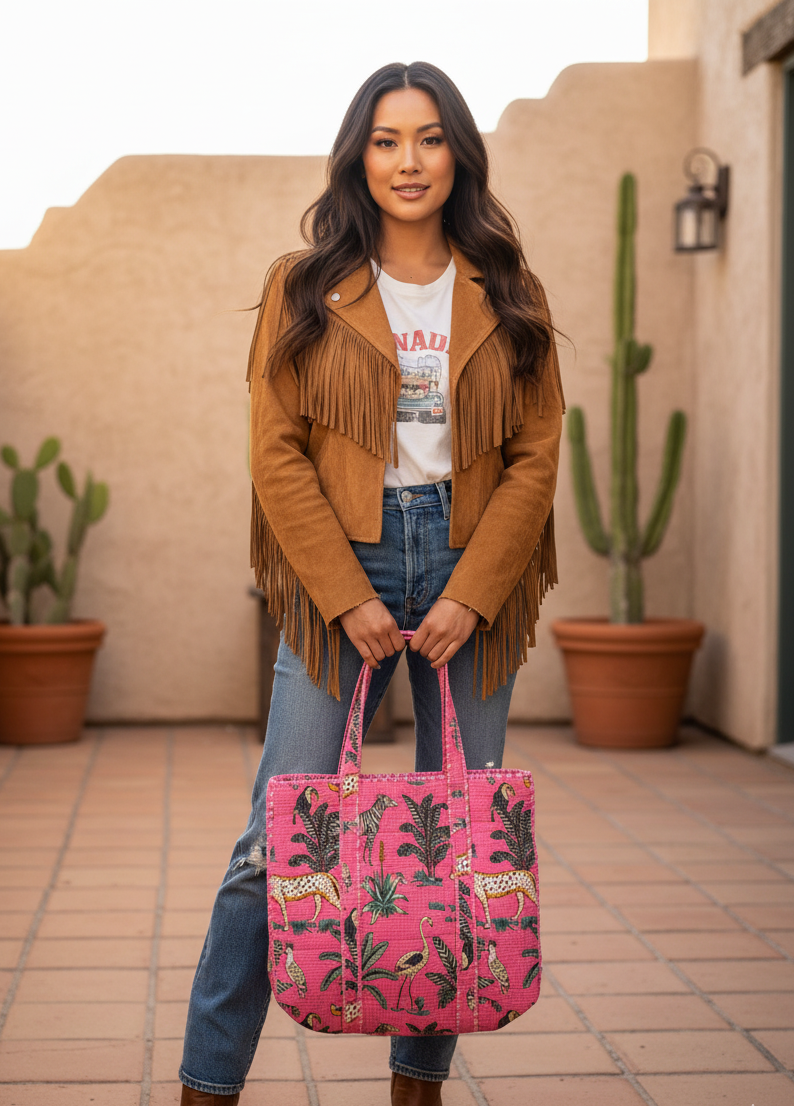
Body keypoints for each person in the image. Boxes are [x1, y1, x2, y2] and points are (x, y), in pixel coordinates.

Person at [179, 60, 564, 1106]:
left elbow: (536, 450)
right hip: (336, 565)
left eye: (430, 137)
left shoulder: (507, 286)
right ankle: (207, 1084)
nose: (409, 160)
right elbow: (277, 452)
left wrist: (474, 590)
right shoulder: (303, 285)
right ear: (359, 155)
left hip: (466, 565)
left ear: (458, 154)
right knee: (274, 841)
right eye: (388, 139)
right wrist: (346, 590)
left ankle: (417, 1085)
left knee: (459, 836)